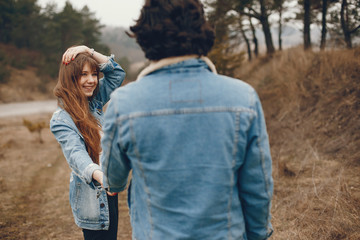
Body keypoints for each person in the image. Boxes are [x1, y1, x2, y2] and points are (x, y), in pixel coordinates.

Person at [101, 0, 273, 239]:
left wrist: (115, 184)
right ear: (203, 32)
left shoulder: (123, 103)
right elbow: (258, 187)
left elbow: (113, 178)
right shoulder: (243, 98)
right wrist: (257, 234)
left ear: (144, 37)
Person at [50, 45, 125, 240]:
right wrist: (100, 175)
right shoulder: (62, 119)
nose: (91, 80)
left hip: (109, 189)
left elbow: (116, 74)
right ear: (70, 78)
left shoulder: (95, 102)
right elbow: (76, 155)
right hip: (93, 196)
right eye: (83, 75)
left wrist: (87, 50)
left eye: (94, 74)